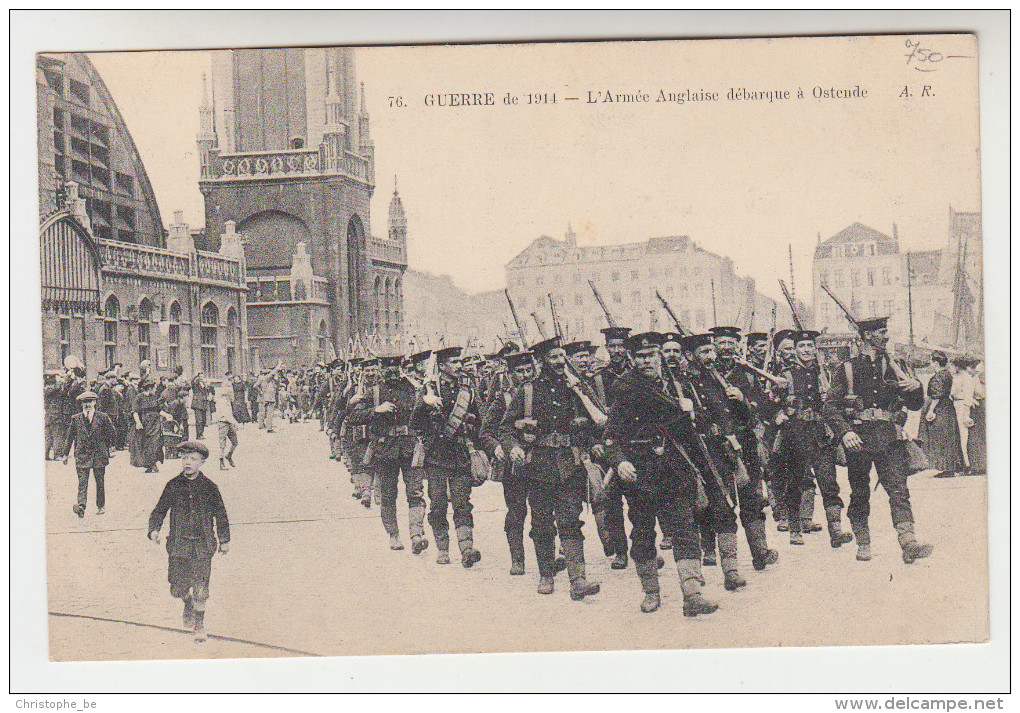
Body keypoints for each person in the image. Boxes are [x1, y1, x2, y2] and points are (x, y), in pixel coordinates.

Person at [604, 331, 719, 615]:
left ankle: (692, 594)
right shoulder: (624, 388)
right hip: (639, 473)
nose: (646, 361)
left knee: (685, 530)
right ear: (631, 358)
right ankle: (651, 592)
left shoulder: (677, 386)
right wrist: (620, 462)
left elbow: (699, 426)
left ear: (659, 356)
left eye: (651, 355)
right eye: (640, 356)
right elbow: (610, 436)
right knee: (642, 534)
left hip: (673, 469)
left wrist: (692, 412)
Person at [823, 316, 933, 564]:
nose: (886, 337)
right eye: (882, 332)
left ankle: (908, 542)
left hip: (890, 439)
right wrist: (845, 432)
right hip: (858, 441)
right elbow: (829, 407)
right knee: (860, 493)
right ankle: (863, 543)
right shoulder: (847, 368)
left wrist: (916, 387)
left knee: (899, 490)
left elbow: (915, 405)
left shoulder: (897, 365)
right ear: (868, 336)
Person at [498, 336, 601, 599]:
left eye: (561, 356)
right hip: (538, 468)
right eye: (554, 357)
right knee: (542, 524)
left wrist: (593, 444)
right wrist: (513, 448)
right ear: (542, 360)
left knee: (570, 522)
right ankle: (546, 574)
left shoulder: (575, 388)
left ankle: (578, 579)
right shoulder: (528, 391)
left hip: (570, 466)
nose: (559, 361)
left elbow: (595, 421)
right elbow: (506, 428)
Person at [774, 330, 853, 548]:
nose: (807, 350)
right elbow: (770, 402)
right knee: (796, 482)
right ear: (796, 350)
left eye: (810, 346)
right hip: (796, 434)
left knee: (829, 482)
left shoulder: (824, 374)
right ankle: (795, 528)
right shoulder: (786, 375)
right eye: (802, 346)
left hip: (820, 434)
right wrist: (778, 414)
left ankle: (835, 530)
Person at [147, 440, 230, 643]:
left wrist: (224, 539)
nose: (188, 463)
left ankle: (199, 625)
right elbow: (160, 510)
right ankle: (187, 602)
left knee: (201, 588)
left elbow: (221, 515)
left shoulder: (210, 487)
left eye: (193, 459)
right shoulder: (173, 485)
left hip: (202, 546)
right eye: (184, 458)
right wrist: (154, 529)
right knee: (177, 588)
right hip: (178, 546)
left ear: (201, 462)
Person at [349, 354, 428, 553]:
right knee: (388, 495)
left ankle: (416, 534)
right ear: (382, 370)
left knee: (415, 492)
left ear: (401, 368)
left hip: (410, 448)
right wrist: (376, 410)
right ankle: (393, 534)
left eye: (395, 367)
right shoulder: (373, 392)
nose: (392, 372)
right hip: (385, 451)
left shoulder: (413, 388)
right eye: (387, 368)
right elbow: (353, 417)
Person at [412, 346, 483, 568]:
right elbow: (415, 423)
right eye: (454, 362)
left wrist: (471, 423)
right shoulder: (429, 389)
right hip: (436, 457)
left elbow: (480, 422)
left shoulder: (468, 389)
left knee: (463, 504)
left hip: (460, 454)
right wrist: (426, 404)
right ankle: (442, 549)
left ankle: (466, 548)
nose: (459, 366)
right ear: (442, 366)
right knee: (439, 504)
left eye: (459, 362)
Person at [479, 348, 535, 575]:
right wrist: (497, 448)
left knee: (545, 511)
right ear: (511, 374)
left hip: (541, 462)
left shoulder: (540, 393)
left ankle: (553, 555)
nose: (524, 375)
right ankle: (517, 559)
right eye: (519, 371)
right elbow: (485, 432)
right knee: (516, 511)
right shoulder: (503, 399)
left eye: (528, 369)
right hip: (514, 467)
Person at [63, 390, 117, 517]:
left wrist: (110, 447)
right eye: (84, 402)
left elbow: (112, 433)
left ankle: (101, 505)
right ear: (81, 404)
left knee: (100, 482)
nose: (87, 404)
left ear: (95, 402)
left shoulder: (103, 417)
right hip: (82, 455)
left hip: (99, 455)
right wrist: (65, 454)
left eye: (90, 401)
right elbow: (69, 437)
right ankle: (81, 506)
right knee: (82, 482)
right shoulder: (75, 419)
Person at [917, 351, 964, 478]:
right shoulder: (947, 374)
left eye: (932, 361)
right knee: (949, 436)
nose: (931, 364)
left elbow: (937, 395)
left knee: (941, 437)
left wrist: (931, 410)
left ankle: (947, 468)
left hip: (939, 408)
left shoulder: (939, 376)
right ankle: (951, 466)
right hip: (946, 408)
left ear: (936, 362)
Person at [950, 357, 976, 475]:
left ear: (958, 366)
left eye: (953, 365)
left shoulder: (967, 378)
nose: (952, 368)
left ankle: (967, 465)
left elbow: (968, 397)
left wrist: (966, 414)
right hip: (955, 405)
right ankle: (960, 463)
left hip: (962, 407)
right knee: (958, 435)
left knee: (963, 435)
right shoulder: (957, 377)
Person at [133, 379, 166, 472]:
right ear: (150, 388)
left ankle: (153, 464)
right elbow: (135, 412)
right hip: (145, 424)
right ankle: (150, 465)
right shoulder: (139, 397)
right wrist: (138, 422)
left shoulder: (154, 397)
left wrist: (166, 415)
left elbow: (159, 410)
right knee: (146, 445)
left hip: (155, 423)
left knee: (155, 443)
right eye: (154, 388)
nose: (155, 390)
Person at [212, 380, 238, 470]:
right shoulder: (221, 401)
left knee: (235, 442)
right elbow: (227, 415)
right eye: (227, 387)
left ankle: (229, 456)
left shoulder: (227, 400)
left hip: (229, 423)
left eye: (230, 387)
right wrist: (236, 423)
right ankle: (221, 462)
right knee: (222, 444)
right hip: (223, 423)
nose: (230, 390)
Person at [191, 373, 212, 440]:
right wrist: (196, 378)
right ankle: (198, 434)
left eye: (202, 376)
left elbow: (208, 391)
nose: (201, 378)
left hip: (204, 404)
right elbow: (192, 383)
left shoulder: (205, 384)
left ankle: (201, 434)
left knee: (203, 420)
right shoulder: (195, 384)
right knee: (199, 420)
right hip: (197, 404)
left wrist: (209, 396)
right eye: (200, 376)